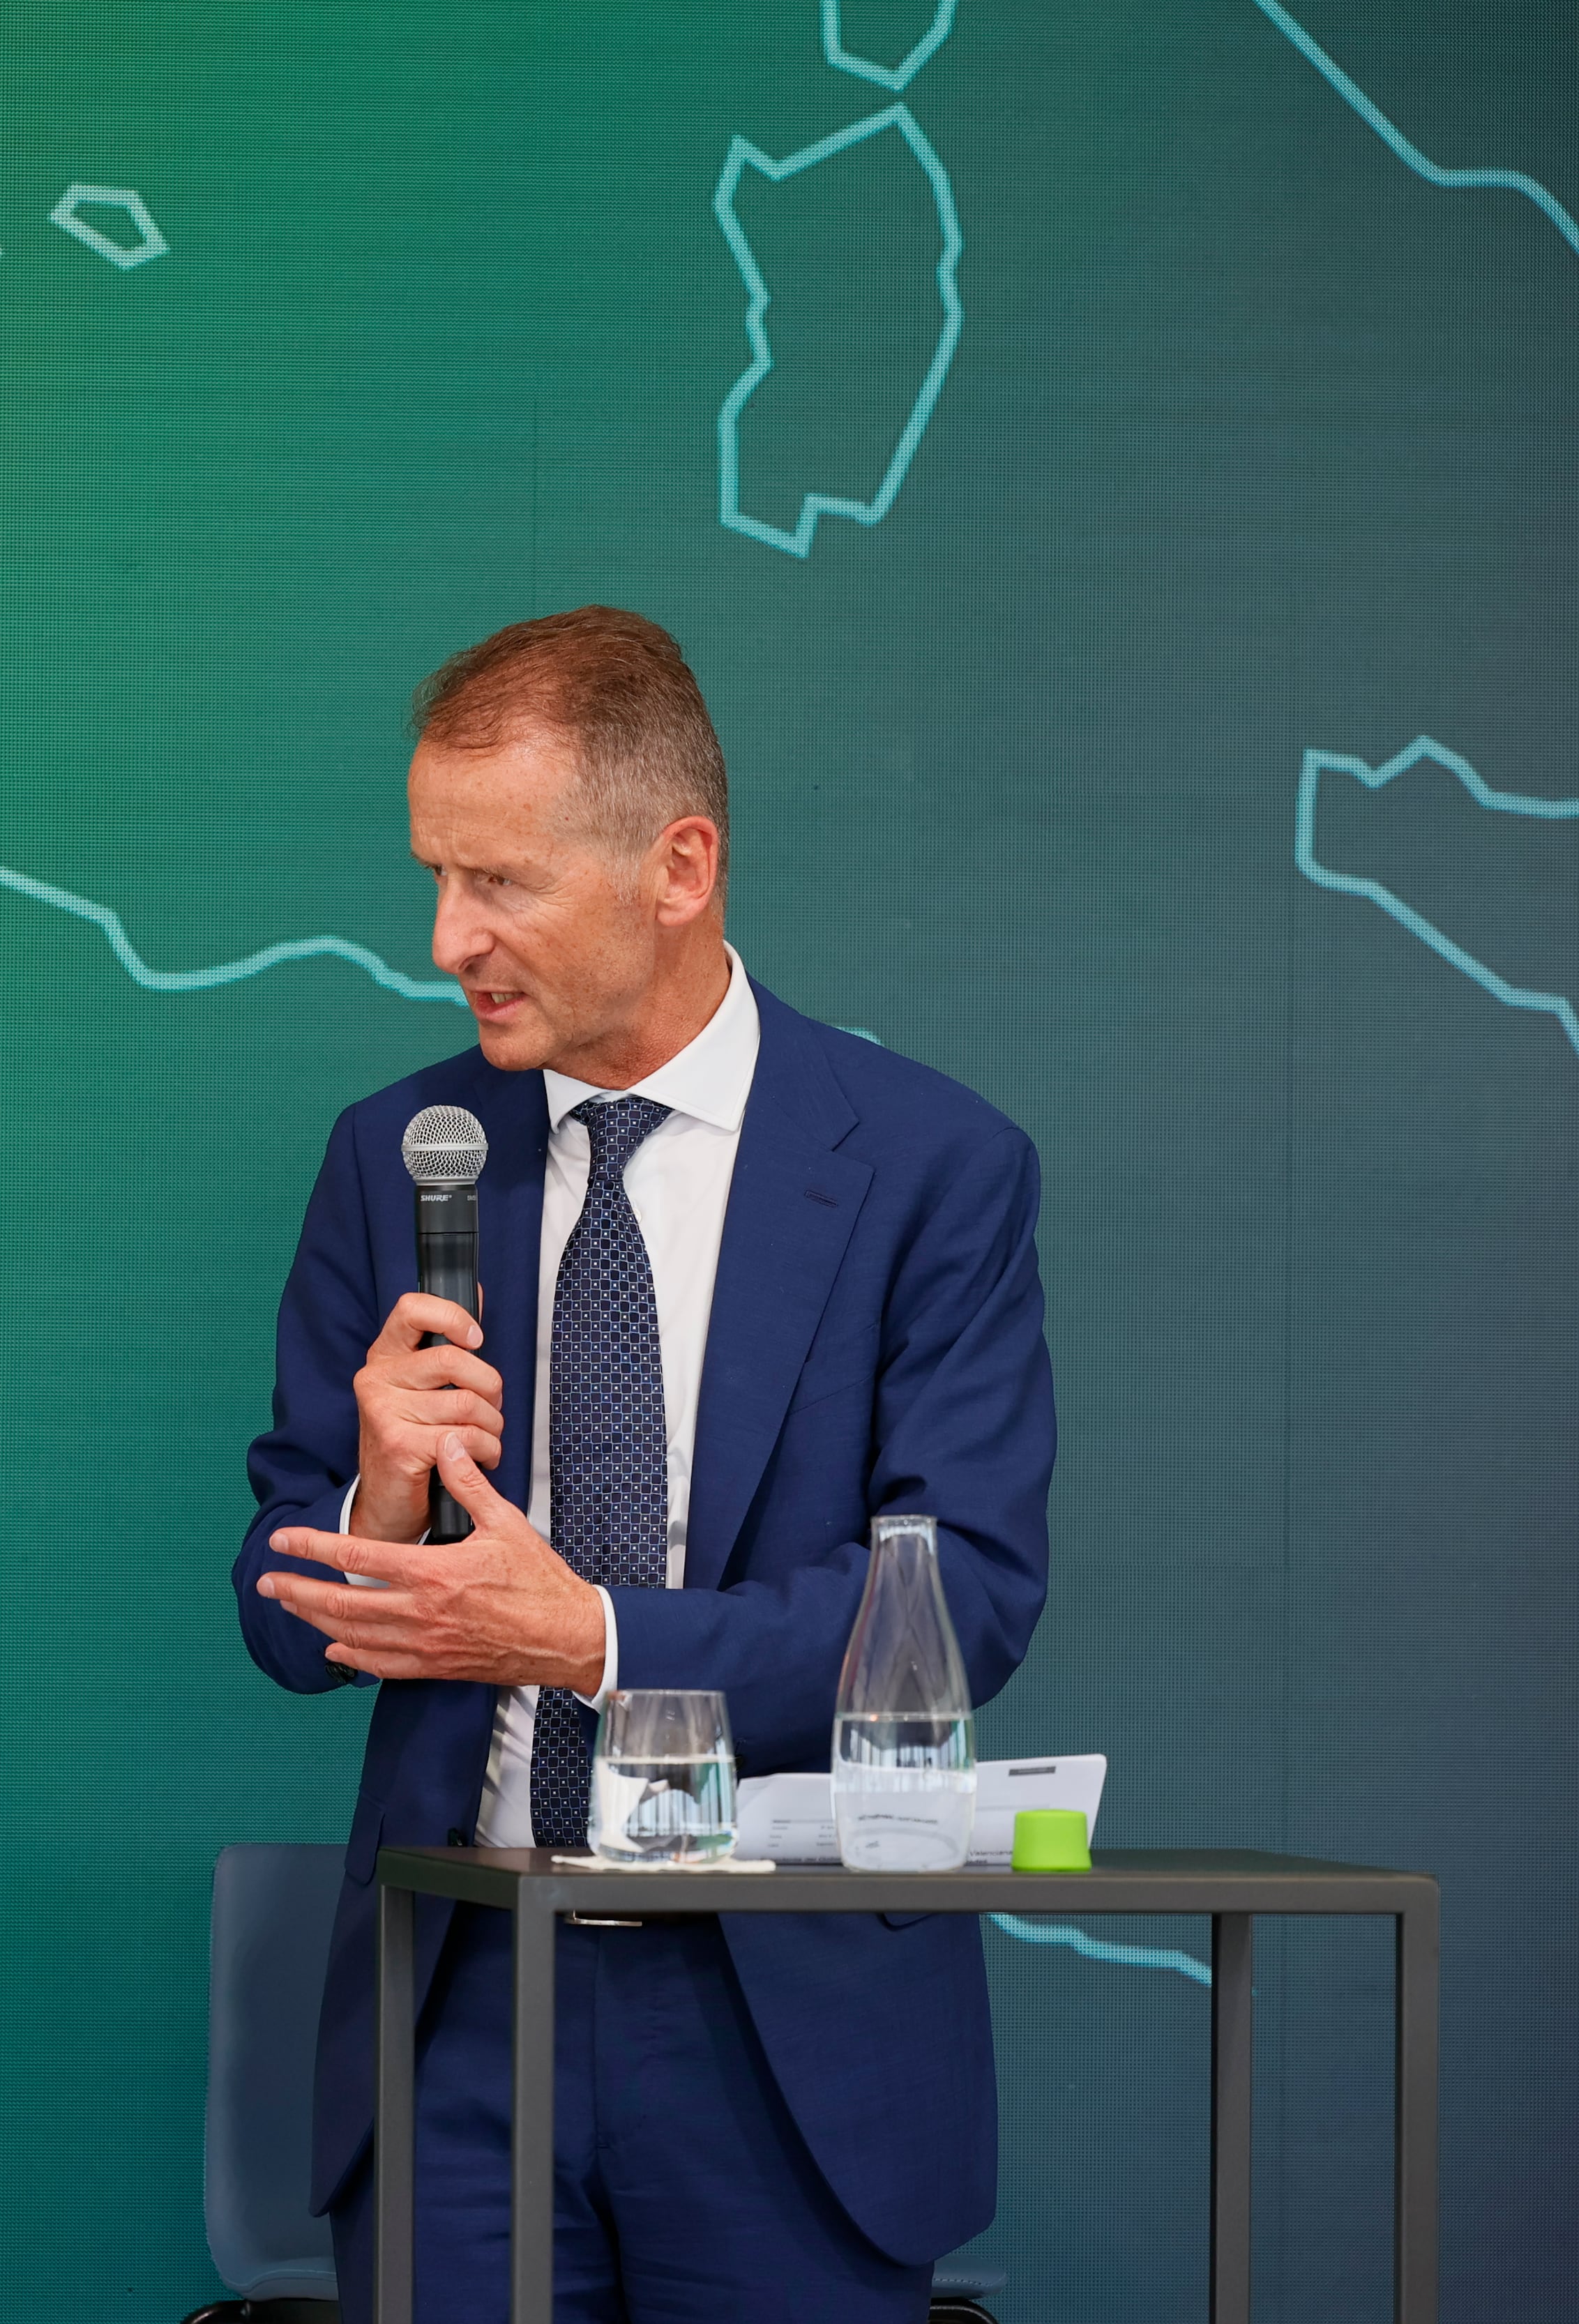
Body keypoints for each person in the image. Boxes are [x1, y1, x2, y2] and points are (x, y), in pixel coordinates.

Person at [232, 609, 1053, 2323]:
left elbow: (960, 1601)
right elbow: (281, 1609)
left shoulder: (928, 1168)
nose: (448, 937)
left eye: (501, 883)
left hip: (786, 2031)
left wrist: (594, 1639)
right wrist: (371, 1505)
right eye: (435, 876)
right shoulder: (398, 1153)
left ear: (677, 866)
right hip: (459, 2012)